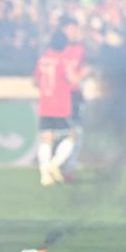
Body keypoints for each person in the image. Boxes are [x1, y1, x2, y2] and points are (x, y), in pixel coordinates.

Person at [33, 30, 84, 186]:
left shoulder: (42, 60)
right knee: (72, 136)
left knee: (46, 139)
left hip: (45, 105)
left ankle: (44, 175)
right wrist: (85, 73)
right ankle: (54, 163)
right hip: (61, 106)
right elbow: (73, 80)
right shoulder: (63, 60)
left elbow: (36, 82)